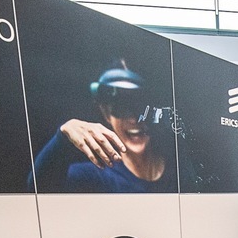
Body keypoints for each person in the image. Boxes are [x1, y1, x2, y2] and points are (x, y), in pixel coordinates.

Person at [29, 59, 176, 193]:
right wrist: (62, 137)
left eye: (140, 108)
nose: (133, 119)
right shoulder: (96, 175)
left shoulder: (179, 168)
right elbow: (37, 188)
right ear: (106, 114)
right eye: (121, 108)